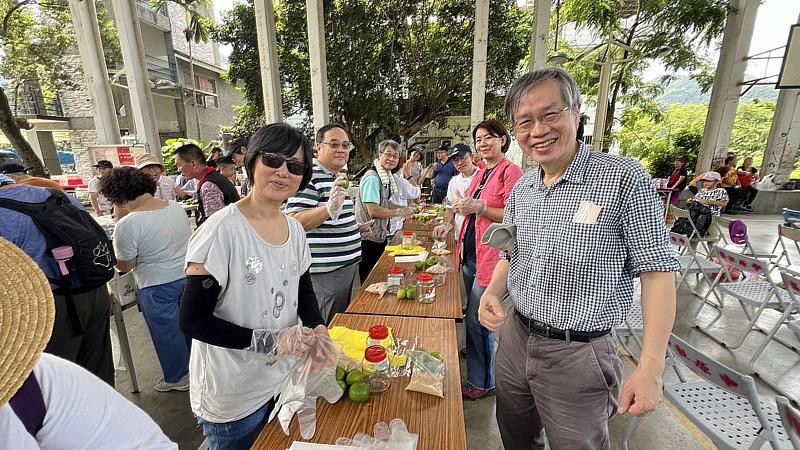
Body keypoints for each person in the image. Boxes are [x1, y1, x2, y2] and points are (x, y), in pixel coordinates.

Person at [480, 68, 680, 449]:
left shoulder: (623, 178)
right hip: (516, 337)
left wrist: (651, 366)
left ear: (576, 111)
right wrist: (492, 291)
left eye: (550, 114)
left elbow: (658, 273)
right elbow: (512, 247)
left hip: (579, 353)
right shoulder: (524, 185)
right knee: (515, 435)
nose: (538, 130)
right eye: (525, 121)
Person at [179, 123, 327, 449]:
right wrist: (270, 342)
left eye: (296, 166)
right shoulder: (221, 231)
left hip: (282, 381)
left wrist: (318, 328)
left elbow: (303, 291)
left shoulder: (295, 230)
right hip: (233, 394)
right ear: (252, 162)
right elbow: (192, 320)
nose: (283, 172)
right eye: (273, 160)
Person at [0, 238, 177, 449]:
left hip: (57, 301)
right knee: (96, 366)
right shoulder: (41, 375)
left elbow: (124, 262)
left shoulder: (32, 380)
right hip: (87, 290)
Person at [0, 174, 115, 385]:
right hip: (94, 291)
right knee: (99, 374)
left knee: (55, 386)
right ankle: (106, 416)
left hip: (46, 307)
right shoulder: (57, 195)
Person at [100, 167, 192, 392]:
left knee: (167, 334)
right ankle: (194, 369)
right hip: (187, 277)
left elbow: (125, 265)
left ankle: (177, 377)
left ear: (118, 196)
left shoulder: (128, 224)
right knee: (188, 328)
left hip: (155, 284)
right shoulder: (176, 208)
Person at [452, 122, 522, 401]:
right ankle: (478, 360)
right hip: (471, 254)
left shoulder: (510, 171)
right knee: (474, 316)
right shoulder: (481, 172)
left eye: (489, 138)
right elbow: (472, 208)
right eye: (478, 140)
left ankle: (483, 382)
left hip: (493, 259)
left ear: (503, 140)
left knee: (478, 320)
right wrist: (464, 207)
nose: (482, 144)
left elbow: (516, 215)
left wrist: (479, 207)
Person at [286, 123, 363, 323]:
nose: (341, 150)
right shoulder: (310, 176)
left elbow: (333, 217)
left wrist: (355, 229)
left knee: (338, 323)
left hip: (344, 266)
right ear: (318, 147)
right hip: (327, 273)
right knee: (324, 326)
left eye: (346, 146)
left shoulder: (336, 175)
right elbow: (294, 220)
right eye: (334, 144)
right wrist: (328, 207)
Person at [358, 141, 414, 282]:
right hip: (368, 238)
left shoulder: (385, 176)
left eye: (395, 156)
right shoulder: (372, 178)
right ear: (379, 155)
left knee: (380, 277)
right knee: (370, 281)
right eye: (388, 155)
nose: (392, 159)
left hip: (379, 235)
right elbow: (373, 210)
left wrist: (402, 209)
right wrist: (399, 213)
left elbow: (385, 202)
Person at [434, 143, 478, 282]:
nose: (459, 163)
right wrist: (445, 226)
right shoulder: (454, 181)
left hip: (478, 238)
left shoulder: (482, 176)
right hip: (460, 236)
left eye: (462, 158)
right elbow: (449, 208)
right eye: (455, 160)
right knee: (465, 275)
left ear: (471, 157)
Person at [174, 143, 240, 225]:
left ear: (193, 164)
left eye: (179, 165)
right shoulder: (215, 177)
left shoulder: (208, 186)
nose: (178, 170)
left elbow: (215, 224)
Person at [389, 144, 422, 237]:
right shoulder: (399, 180)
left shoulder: (389, 177)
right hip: (395, 225)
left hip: (390, 223)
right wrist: (409, 175)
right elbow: (416, 192)